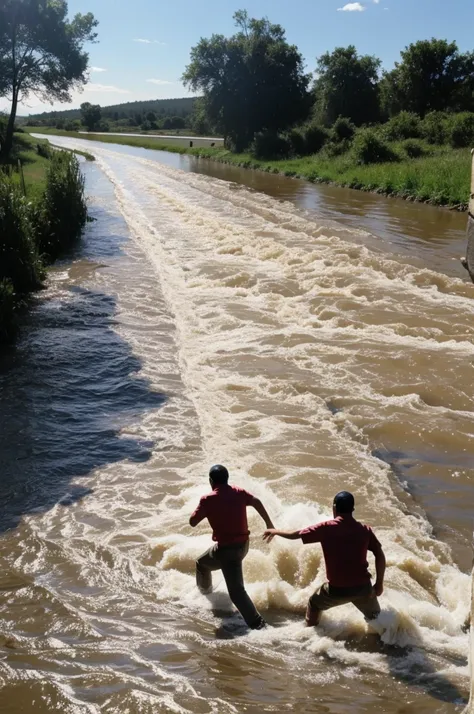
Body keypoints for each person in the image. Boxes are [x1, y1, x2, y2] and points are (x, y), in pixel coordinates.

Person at [263, 491, 385, 626]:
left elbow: (295, 535)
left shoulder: (326, 528)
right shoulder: (365, 530)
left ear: (334, 508)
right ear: (352, 509)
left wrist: (275, 531)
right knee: (378, 620)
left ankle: (309, 633)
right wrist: (379, 584)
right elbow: (379, 553)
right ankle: (388, 641)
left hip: (337, 589)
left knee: (314, 603)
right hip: (363, 589)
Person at [190, 464, 274, 630]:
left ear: (211, 481)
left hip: (227, 550)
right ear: (227, 479)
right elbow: (256, 501)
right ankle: (206, 596)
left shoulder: (208, 499)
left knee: (236, 592)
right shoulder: (238, 492)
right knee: (202, 563)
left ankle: (258, 625)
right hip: (243, 546)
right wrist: (269, 523)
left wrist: (206, 509)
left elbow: (192, 522)